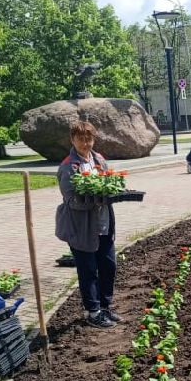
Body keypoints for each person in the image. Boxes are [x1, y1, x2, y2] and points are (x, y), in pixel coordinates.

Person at [55, 121, 118, 328]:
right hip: (81, 227)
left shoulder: (98, 159)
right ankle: (93, 312)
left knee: (108, 266)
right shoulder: (68, 166)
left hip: (103, 224)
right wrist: (96, 199)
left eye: (89, 138)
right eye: (81, 139)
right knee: (88, 270)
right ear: (72, 140)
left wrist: (112, 193)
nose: (85, 143)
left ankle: (105, 307)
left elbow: (109, 183)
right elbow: (72, 200)